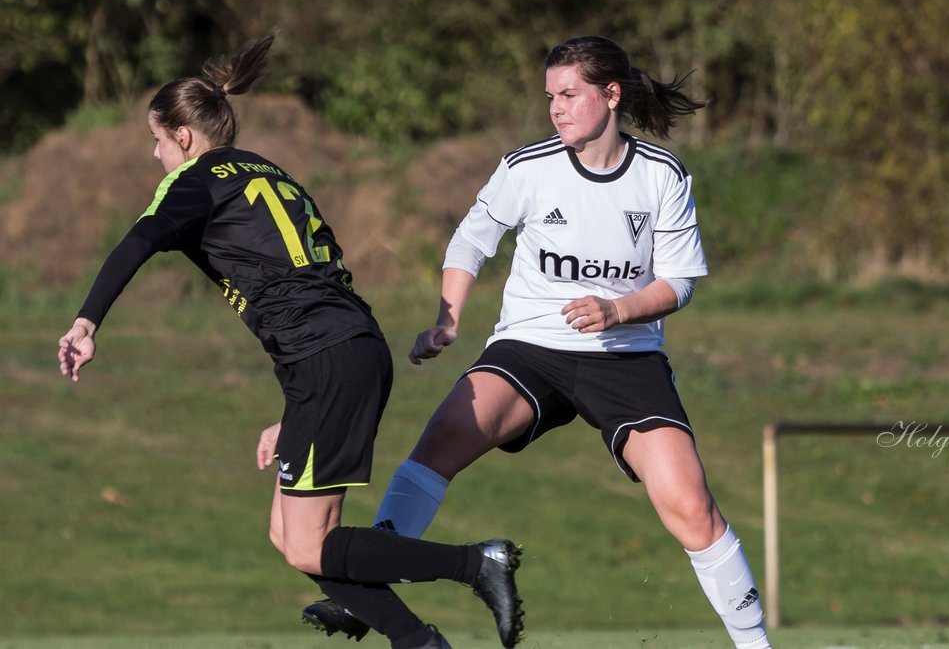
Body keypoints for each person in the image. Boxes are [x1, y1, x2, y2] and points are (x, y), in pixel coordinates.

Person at [56, 33, 524, 649]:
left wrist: (87, 321)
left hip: (326, 358)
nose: (155, 155)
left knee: (310, 541)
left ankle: (476, 564)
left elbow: (136, 243)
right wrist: (296, 409)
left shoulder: (194, 179)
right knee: (291, 539)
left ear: (185, 138)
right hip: (342, 351)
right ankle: (419, 641)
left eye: (158, 139)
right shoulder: (270, 173)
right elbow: (305, 283)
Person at [305, 35, 771, 648]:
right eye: (550, 95)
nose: (555, 107)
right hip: (528, 348)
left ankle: (756, 645)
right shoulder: (528, 168)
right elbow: (470, 242)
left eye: (569, 94)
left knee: (690, 507)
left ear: (610, 95)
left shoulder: (661, 175)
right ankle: (370, 598)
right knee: (442, 438)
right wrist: (448, 318)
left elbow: (680, 282)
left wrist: (619, 309)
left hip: (625, 357)